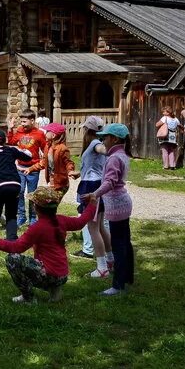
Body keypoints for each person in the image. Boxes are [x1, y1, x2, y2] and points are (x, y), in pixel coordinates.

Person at [0, 186, 96, 303]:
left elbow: (16, 247)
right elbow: (81, 222)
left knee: (12, 259)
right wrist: (92, 203)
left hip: (49, 274)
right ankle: (55, 290)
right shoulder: (62, 220)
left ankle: (28, 298)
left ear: (36, 207)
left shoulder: (37, 227)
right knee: (46, 266)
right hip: (62, 275)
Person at [85, 122, 134, 295]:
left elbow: (110, 182)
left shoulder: (113, 157)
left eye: (105, 137)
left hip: (117, 204)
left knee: (119, 244)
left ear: (113, 139)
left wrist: (95, 194)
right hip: (123, 203)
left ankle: (118, 285)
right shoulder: (121, 154)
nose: (103, 141)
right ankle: (127, 276)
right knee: (125, 242)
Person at [71, 116, 112, 275]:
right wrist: (79, 173)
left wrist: (110, 149)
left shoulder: (96, 144)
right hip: (95, 183)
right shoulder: (94, 145)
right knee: (100, 226)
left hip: (91, 186)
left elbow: (104, 150)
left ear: (88, 130)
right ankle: (110, 260)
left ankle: (102, 268)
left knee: (93, 227)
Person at [11, 110, 48, 227]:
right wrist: (10, 129)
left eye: (24, 121)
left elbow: (45, 149)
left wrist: (41, 163)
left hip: (33, 169)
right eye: (21, 121)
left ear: (32, 121)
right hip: (20, 168)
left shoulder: (39, 134)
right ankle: (21, 216)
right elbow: (11, 141)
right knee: (19, 191)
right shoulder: (19, 131)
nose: (22, 124)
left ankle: (33, 217)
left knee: (32, 193)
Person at [42, 123, 74, 194]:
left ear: (53, 135)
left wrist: (70, 171)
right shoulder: (47, 146)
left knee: (51, 204)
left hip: (61, 183)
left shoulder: (62, 148)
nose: (45, 133)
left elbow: (68, 162)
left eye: (47, 131)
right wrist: (30, 169)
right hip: (52, 180)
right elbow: (43, 162)